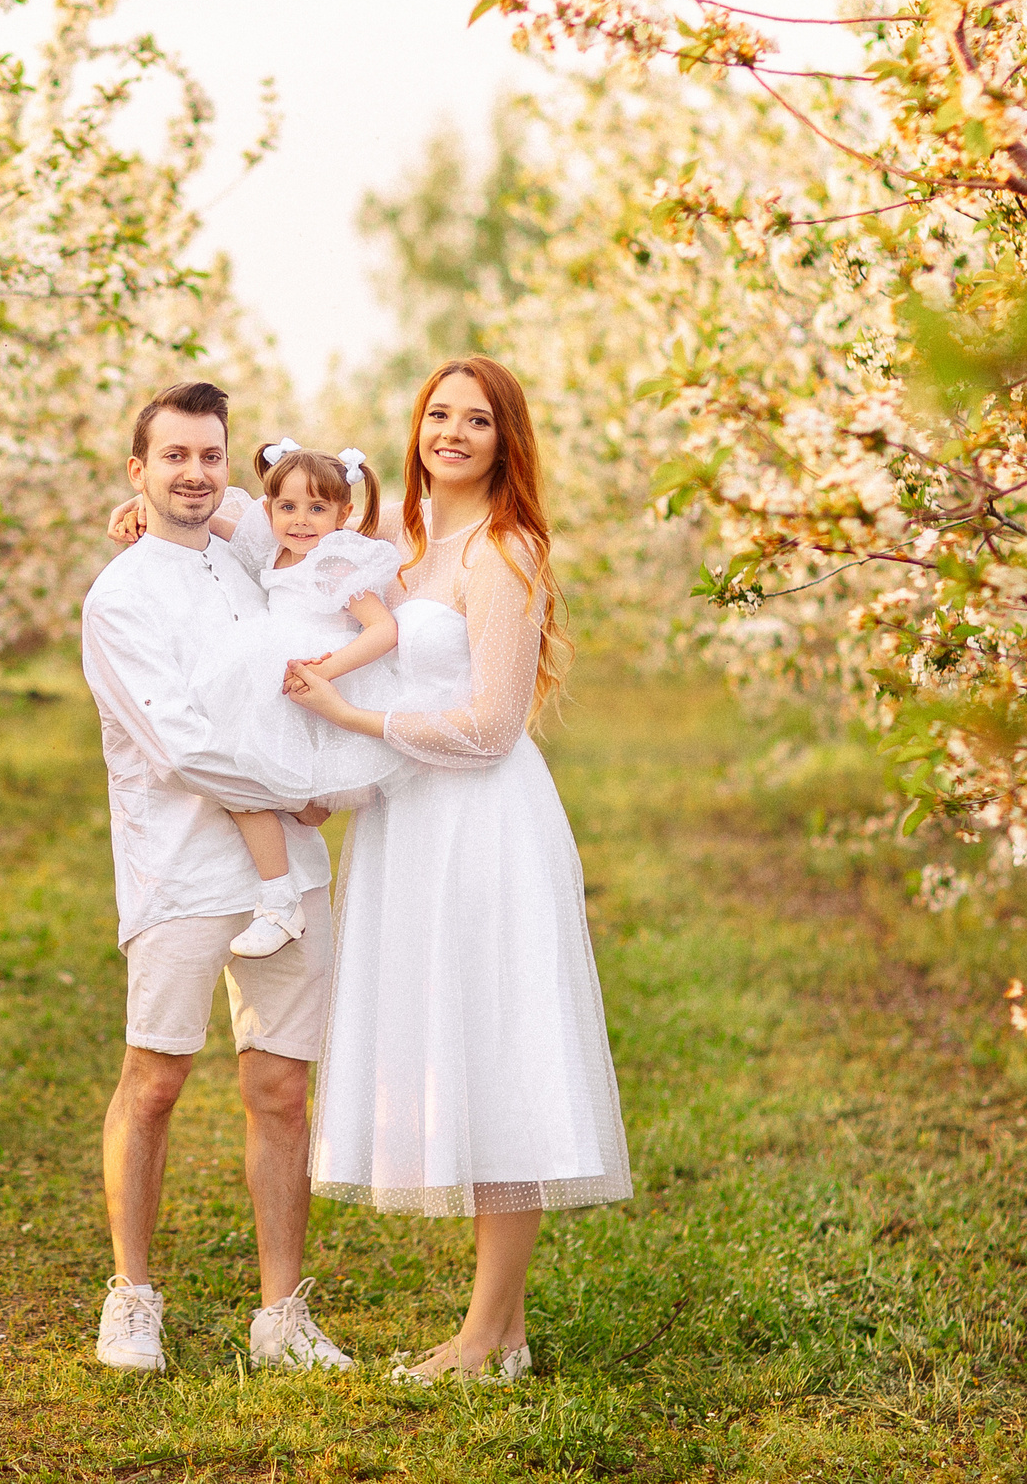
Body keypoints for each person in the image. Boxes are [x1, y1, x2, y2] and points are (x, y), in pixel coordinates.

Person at [288, 355, 634, 1383]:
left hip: (483, 826)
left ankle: (485, 1337)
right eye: (438, 413)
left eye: (476, 420)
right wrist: (165, 519)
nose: (452, 432)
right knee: (462, 1053)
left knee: (501, 1055)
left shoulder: (505, 551)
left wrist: (351, 719)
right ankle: (500, 1333)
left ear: (503, 439)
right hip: (409, 823)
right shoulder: (401, 540)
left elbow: (489, 727)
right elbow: (284, 530)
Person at [77, 382, 355, 1377]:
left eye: (209, 455)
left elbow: (311, 520)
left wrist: (316, 782)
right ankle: (131, 1296)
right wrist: (307, 789)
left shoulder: (253, 558)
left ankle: (281, 1313)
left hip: (288, 870)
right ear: (138, 470)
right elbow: (183, 747)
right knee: (155, 1078)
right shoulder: (120, 598)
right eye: (173, 456)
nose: (193, 473)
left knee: (281, 1088)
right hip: (180, 865)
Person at [190, 438, 406, 960]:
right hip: (272, 682)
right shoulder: (272, 549)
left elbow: (383, 629)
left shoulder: (333, 562)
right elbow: (212, 522)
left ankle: (281, 898)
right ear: (269, 510)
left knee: (277, 798)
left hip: (312, 685)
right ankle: (279, 897)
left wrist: (327, 670)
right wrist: (140, 507)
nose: (301, 520)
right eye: (287, 506)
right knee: (243, 784)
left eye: (317, 508)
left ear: (343, 514)